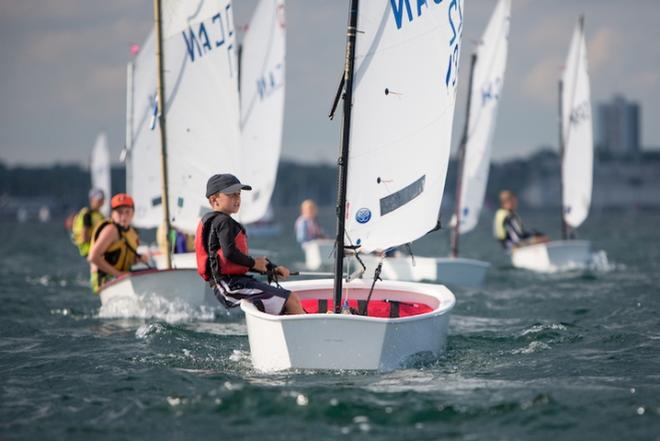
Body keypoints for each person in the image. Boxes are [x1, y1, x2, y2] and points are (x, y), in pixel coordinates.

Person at [195, 173, 305, 315]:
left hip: (233, 283)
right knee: (290, 299)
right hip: (229, 286)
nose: (237, 199)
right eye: (231, 195)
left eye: (238, 194)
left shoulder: (218, 221)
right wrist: (254, 263)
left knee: (290, 299)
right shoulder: (224, 222)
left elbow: (232, 262)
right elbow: (229, 253)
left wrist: (271, 269)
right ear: (214, 199)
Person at [87, 193, 149, 293]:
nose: (123, 216)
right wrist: (118, 274)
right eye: (119, 212)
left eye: (127, 212)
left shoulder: (132, 233)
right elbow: (93, 257)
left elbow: (123, 258)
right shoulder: (111, 230)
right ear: (112, 214)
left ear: (133, 213)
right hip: (105, 280)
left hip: (121, 277)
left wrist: (138, 259)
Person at [70, 188, 106, 257]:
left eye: (102, 198)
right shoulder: (87, 214)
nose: (100, 201)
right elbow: (85, 237)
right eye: (98, 198)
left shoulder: (100, 215)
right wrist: (101, 244)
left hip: (96, 250)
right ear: (91, 199)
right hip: (89, 250)